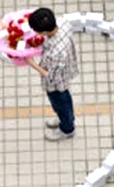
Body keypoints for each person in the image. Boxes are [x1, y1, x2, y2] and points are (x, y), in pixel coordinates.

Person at [26, 8, 79, 142]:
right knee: (64, 101)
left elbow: (50, 76)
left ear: (44, 32)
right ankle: (66, 119)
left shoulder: (56, 53)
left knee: (61, 103)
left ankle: (67, 129)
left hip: (57, 82)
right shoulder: (63, 23)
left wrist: (31, 63)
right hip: (66, 68)